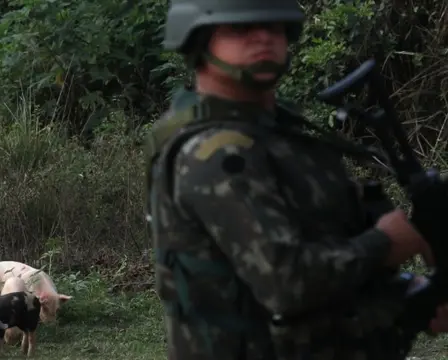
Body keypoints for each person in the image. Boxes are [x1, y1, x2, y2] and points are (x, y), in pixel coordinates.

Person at [144, 0, 448, 359]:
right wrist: (384, 243)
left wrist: (409, 297)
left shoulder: (280, 133)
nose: (263, 38)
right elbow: (286, 283)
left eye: (274, 28)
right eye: (239, 29)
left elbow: (326, 240)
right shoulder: (216, 155)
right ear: (197, 42)